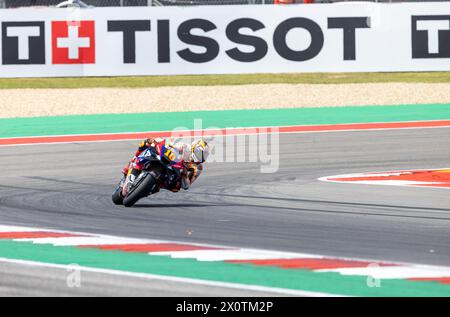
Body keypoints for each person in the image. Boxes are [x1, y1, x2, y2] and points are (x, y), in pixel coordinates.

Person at [122, 137, 210, 192]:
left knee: (176, 187)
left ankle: (153, 186)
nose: (200, 157)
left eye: (203, 155)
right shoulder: (184, 146)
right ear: (193, 148)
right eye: (199, 153)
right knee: (146, 142)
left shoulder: (198, 168)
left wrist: (184, 175)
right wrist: (158, 142)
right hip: (169, 162)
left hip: (174, 175)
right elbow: (168, 144)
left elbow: (186, 186)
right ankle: (134, 160)